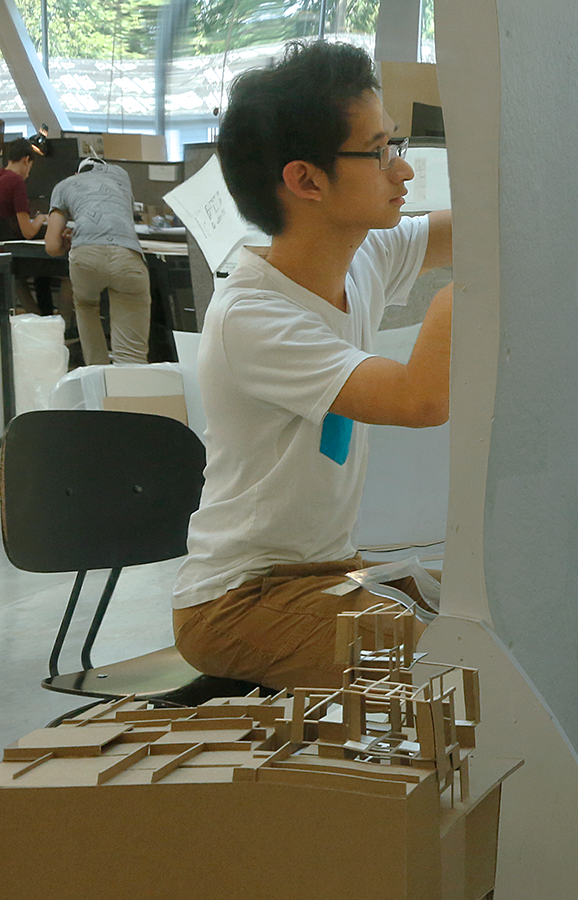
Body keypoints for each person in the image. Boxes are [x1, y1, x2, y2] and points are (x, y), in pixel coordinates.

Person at [171, 40, 453, 689]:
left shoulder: (364, 256)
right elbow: (419, 400)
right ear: (305, 180)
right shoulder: (254, 318)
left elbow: (484, 228)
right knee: (446, 664)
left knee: (473, 612)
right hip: (240, 600)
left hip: (327, 570)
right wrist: (473, 292)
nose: (402, 171)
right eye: (379, 151)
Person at [45, 157, 152, 365]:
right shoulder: (121, 177)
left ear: (78, 174)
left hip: (86, 257)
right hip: (127, 256)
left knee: (86, 305)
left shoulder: (65, 185)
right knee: (132, 357)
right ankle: (131, 389)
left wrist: (70, 241)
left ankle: (97, 372)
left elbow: (51, 246)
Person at [0, 138, 46, 243]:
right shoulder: (17, 181)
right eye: (30, 167)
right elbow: (28, 232)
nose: (28, 174)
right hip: (5, 248)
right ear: (26, 160)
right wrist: (40, 218)